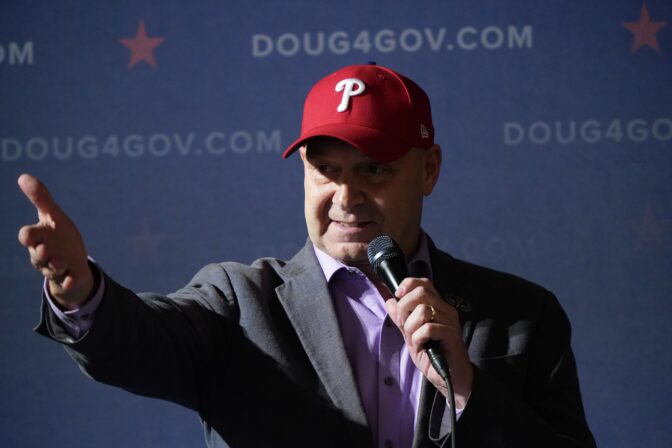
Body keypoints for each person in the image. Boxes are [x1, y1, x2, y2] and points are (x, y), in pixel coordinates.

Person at [18, 63, 596, 447]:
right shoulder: (238, 301)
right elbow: (137, 340)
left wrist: (467, 387)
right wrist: (82, 292)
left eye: (374, 169)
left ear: (428, 170)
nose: (347, 197)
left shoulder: (523, 314)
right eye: (327, 171)